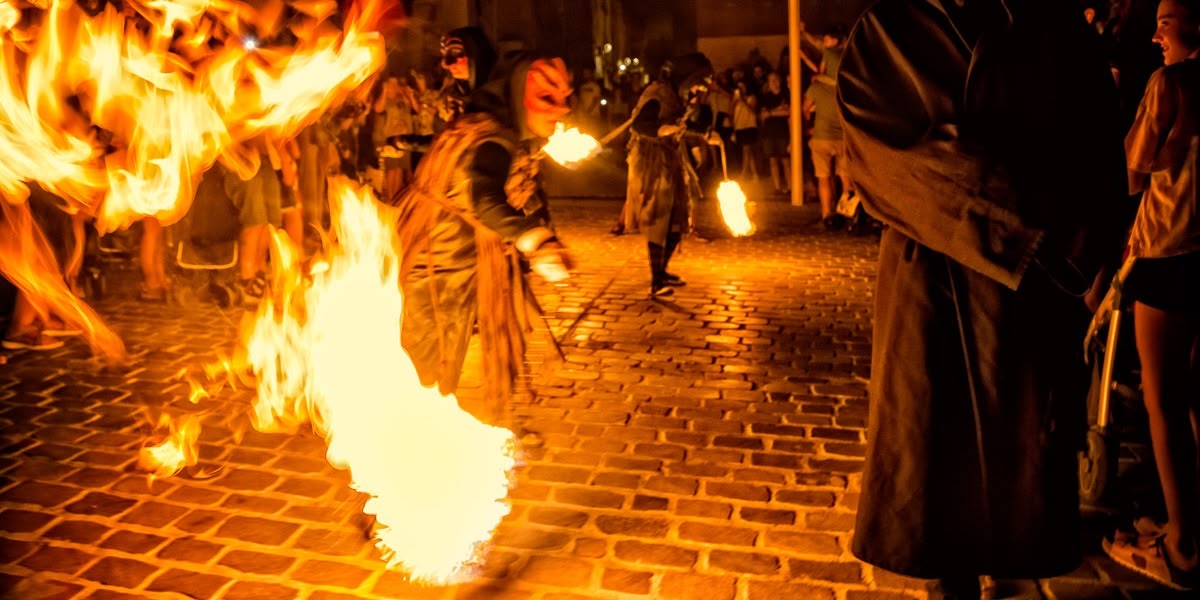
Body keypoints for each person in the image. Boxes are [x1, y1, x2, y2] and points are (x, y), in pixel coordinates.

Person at [837, 1, 1129, 598]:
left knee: (1021, 458)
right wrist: (1030, 225)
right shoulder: (890, 28)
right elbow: (879, 157)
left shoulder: (1055, 26)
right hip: (932, 280)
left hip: (1031, 296)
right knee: (934, 459)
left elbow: (1097, 151)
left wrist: (1086, 244)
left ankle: (1012, 575)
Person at [394, 53, 574, 429]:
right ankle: (402, 452)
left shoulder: (487, 129)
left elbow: (514, 189)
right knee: (426, 367)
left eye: (563, 98)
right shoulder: (493, 141)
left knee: (430, 364)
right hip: (440, 269)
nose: (562, 110)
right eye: (547, 99)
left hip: (442, 265)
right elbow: (484, 198)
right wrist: (534, 240)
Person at [1102, 0, 1200, 590]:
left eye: (1168, 20)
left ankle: (1183, 548)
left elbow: (1133, 166)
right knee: (1197, 399)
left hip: (1167, 249)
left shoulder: (1170, 83)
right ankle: (1187, 523)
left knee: (1161, 400)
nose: (1158, 33)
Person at [624, 53, 713, 298]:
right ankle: (655, 281)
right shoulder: (657, 94)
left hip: (671, 157)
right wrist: (664, 129)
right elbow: (640, 125)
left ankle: (662, 271)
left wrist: (702, 134)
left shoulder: (678, 95)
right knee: (660, 217)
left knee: (677, 218)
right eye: (700, 79)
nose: (703, 86)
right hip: (652, 161)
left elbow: (680, 126)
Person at [437, 26, 499, 125]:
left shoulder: (496, 98)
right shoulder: (452, 96)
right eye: (447, 56)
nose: (450, 65)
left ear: (475, 56)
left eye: (457, 54)